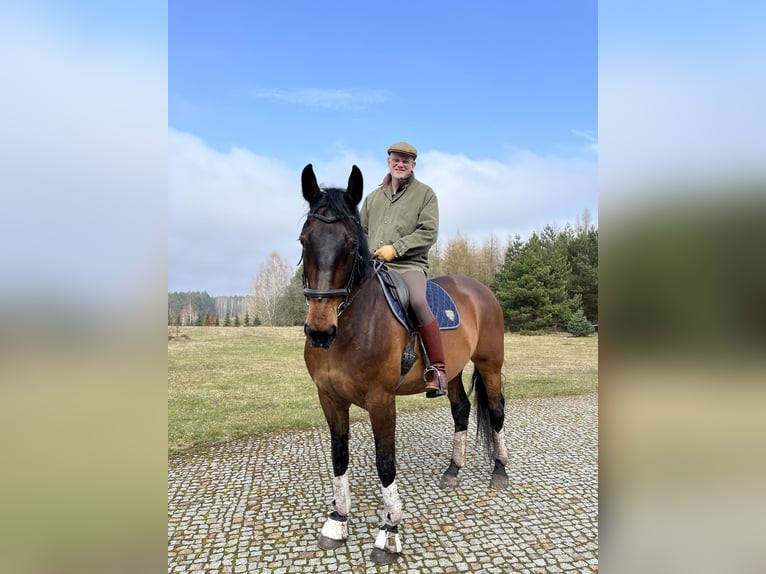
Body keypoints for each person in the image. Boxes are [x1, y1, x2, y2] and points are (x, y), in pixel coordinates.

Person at [359, 141, 447, 398]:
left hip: (408, 264)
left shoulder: (425, 194)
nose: (400, 164)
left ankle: (437, 369)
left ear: (413, 166)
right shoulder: (373, 198)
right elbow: (361, 231)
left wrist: (396, 248)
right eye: (396, 159)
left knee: (417, 300)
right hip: (374, 265)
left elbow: (429, 232)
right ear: (388, 161)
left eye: (406, 161)